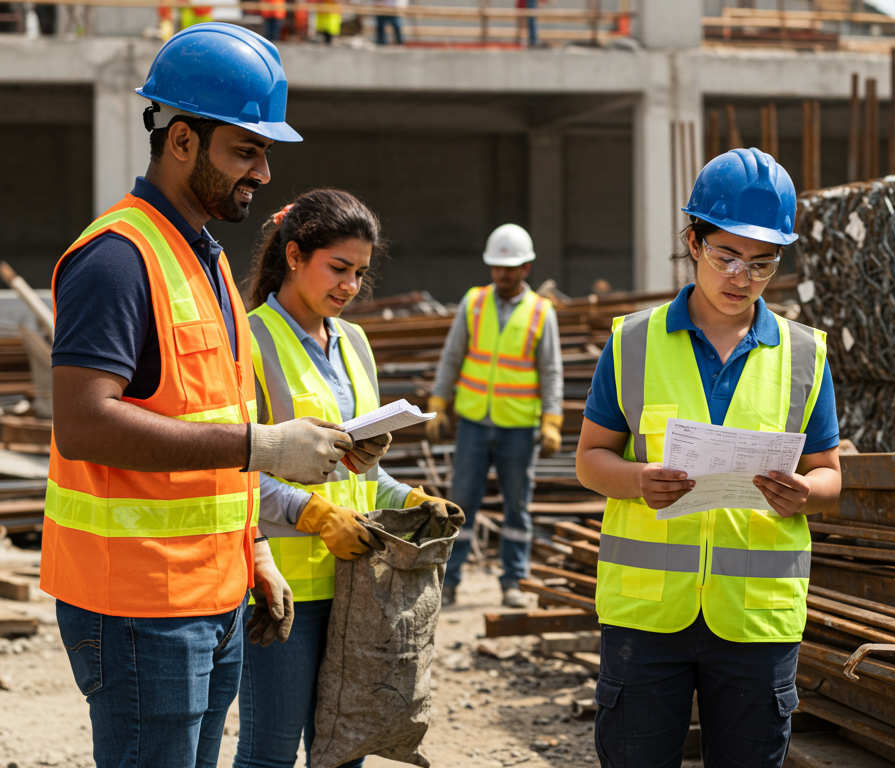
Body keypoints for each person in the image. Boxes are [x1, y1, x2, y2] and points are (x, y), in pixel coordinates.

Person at [42, 23, 360, 768]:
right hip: (138, 602)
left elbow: (204, 412)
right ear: (181, 140)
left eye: (265, 153)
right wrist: (265, 447)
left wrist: (253, 550)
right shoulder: (118, 258)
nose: (263, 174)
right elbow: (84, 424)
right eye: (245, 151)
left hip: (208, 593)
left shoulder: (205, 257)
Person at [575, 148, 841, 767]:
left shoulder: (805, 356)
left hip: (754, 622)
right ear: (693, 242)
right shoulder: (633, 343)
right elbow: (591, 459)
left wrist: (806, 491)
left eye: (761, 264)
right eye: (726, 256)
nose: (741, 278)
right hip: (647, 615)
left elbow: (830, 473)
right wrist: (638, 480)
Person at [235, 188, 464, 768]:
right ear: (293, 255)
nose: (350, 286)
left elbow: (361, 472)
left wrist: (410, 498)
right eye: (338, 268)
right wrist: (314, 515)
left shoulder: (355, 343)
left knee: (343, 752)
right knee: (270, 753)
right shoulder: (250, 339)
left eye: (360, 273)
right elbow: (233, 468)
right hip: (280, 586)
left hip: (360, 585)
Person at [426, 224, 563, 608]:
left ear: (527, 268)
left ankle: (512, 583)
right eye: (497, 267)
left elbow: (550, 371)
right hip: (472, 423)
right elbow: (452, 357)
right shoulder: (474, 303)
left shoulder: (541, 312)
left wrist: (551, 422)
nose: (502, 274)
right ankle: (448, 583)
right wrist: (439, 403)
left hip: (519, 428)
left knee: (516, 507)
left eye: (510, 267)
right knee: (461, 504)